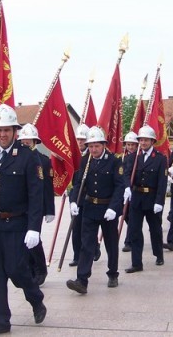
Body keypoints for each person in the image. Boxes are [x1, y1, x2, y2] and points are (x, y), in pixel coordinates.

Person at [0, 104, 47, 337]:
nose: (2, 135)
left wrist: (34, 228)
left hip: (17, 224)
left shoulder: (28, 157)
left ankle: (35, 298)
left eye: (7, 130)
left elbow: (36, 195)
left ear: (15, 131)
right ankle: (0, 321)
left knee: (17, 270)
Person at [66, 126, 124, 294]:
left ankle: (113, 273)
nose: (93, 149)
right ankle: (82, 280)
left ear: (103, 145)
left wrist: (114, 208)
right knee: (86, 245)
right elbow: (79, 184)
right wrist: (73, 201)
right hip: (90, 207)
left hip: (107, 209)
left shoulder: (114, 161)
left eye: (96, 146)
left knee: (111, 244)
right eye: (90, 146)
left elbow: (119, 186)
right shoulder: (86, 161)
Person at [123, 125, 167, 273]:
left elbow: (162, 182)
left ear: (152, 141)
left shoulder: (160, 159)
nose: (143, 143)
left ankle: (158, 254)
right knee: (134, 230)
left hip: (152, 198)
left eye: (146, 140)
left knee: (155, 230)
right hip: (136, 198)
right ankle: (137, 263)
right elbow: (126, 175)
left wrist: (159, 202)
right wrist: (127, 187)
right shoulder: (133, 157)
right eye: (141, 140)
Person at [18, 123, 55, 286]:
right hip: (19, 206)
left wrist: (50, 210)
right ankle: (30, 269)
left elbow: (47, 187)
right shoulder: (15, 158)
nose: (25, 143)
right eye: (23, 141)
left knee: (33, 238)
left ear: (35, 141)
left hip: (36, 207)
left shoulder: (44, 161)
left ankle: (41, 268)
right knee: (22, 240)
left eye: (29, 141)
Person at [69, 124, 101, 266]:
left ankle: (94, 248)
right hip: (75, 196)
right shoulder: (71, 154)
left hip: (88, 197)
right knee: (75, 229)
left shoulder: (91, 155)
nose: (80, 142)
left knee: (87, 229)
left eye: (83, 139)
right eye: (78, 139)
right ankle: (77, 256)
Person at [120, 131, 139, 253]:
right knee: (126, 215)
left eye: (133, 144)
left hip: (135, 190)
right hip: (125, 190)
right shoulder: (125, 157)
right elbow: (123, 174)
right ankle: (134, 234)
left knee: (132, 216)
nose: (130, 147)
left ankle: (129, 241)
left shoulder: (138, 157)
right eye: (128, 144)